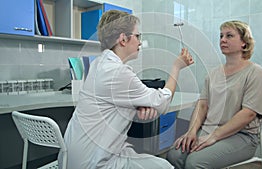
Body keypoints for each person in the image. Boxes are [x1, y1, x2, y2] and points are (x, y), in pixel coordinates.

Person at [58, 10, 194, 169]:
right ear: (123, 39)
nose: (140, 42)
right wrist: (176, 67)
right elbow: (161, 101)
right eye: (137, 36)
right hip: (93, 162)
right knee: (166, 167)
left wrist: (139, 104)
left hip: (75, 156)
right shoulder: (118, 72)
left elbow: (117, 99)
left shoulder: (99, 64)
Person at [166, 20, 262, 169]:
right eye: (221, 36)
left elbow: (248, 114)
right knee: (174, 155)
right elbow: (202, 105)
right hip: (209, 129)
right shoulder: (214, 74)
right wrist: (191, 131)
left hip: (242, 136)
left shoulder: (255, 72)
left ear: (244, 43)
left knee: (194, 162)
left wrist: (215, 136)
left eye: (229, 36)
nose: (223, 40)